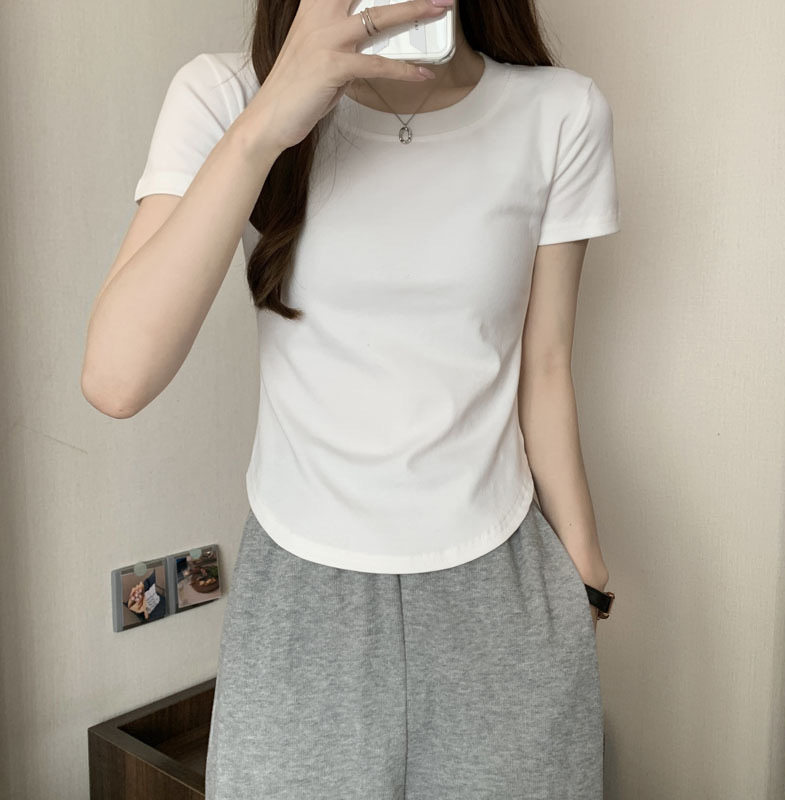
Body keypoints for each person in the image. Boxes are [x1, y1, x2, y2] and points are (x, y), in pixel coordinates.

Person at [81, 0, 620, 796]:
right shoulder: (224, 96)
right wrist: (268, 122)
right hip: (301, 595)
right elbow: (116, 378)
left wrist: (584, 576)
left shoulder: (559, 112)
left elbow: (545, 365)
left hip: (501, 591)